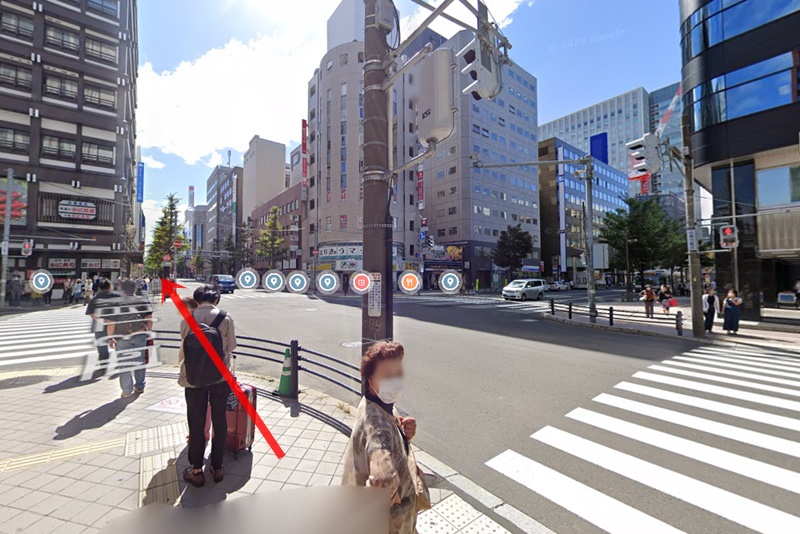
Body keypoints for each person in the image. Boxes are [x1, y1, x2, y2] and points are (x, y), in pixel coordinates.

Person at [342, 341, 424, 534]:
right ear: (371, 381)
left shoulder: (377, 404)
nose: (395, 380)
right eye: (387, 376)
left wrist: (404, 436)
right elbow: (382, 475)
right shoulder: (378, 428)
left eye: (398, 374)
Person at [179, 285, 236, 488]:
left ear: (197, 299)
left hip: (193, 378)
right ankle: (218, 467)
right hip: (219, 377)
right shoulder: (225, 317)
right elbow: (231, 347)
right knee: (219, 420)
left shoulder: (188, 318)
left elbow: (185, 345)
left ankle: (196, 471)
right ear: (216, 300)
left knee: (196, 422)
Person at [107, 280, 154, 397]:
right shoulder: (141, 300)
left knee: (124, 363)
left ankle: (127, 390)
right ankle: (139, 386)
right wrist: (149, 331)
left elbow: (111, 322)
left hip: (122, 337)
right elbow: (149, 317)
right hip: (140, 334)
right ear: (134, 289)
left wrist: (110, 338)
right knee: (140, 361)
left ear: (122, 289)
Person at [86, 278, 119, 367]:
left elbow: (91, 313)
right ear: (110, 286)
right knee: (118, 342)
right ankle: (120, 361)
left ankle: (104, 363)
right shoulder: (117, 296)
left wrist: (102, 320)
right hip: (115, 323)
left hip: (99, 324)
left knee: (102, 346)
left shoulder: (95, 298)